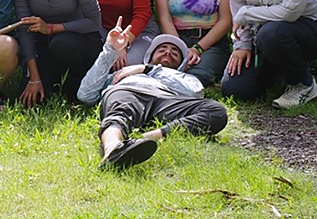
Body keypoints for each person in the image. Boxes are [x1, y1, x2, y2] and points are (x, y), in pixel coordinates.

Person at [78, 28, 228, 168]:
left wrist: (148, 69)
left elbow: (194, 93)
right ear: (149, 56)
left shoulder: (184, 77)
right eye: (162, 49)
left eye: (175, 52)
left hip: (166, 100)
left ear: (181, 64)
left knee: (216, 111)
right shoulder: (125, 73)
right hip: (130, 91)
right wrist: (109, 51)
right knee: (120, 111)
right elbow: (85, 94)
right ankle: (113, 148)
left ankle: (146, 137)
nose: (168, 52)